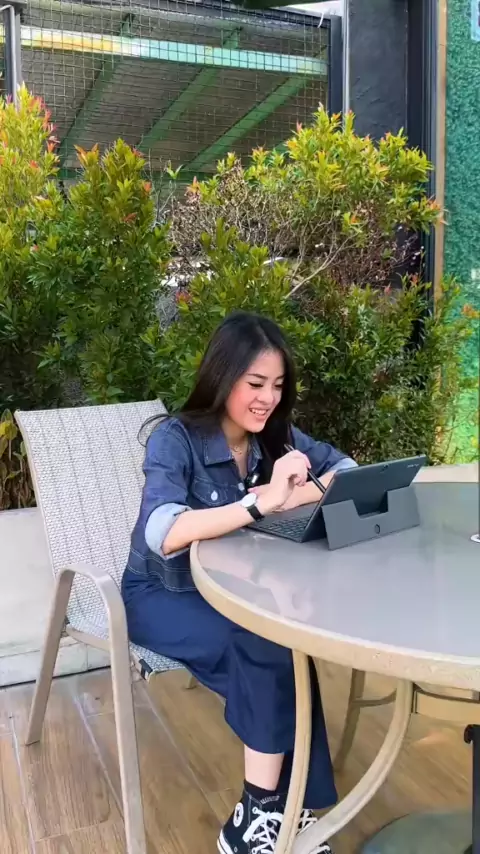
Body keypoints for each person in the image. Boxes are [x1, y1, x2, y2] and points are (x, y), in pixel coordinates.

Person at [121, 311, 357, 854]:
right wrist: (260, 502)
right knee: (264, 645)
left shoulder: (276, 437)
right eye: (255, 384)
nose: (268, 398)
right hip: (160, 594)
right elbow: (164, 531)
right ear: (223, 376)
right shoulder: (175, 439)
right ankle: (255, 818)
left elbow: (345, 469)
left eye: (277, 385)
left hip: (234, 589)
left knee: (286, 644)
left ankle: (285, 811)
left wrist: (292, 492)